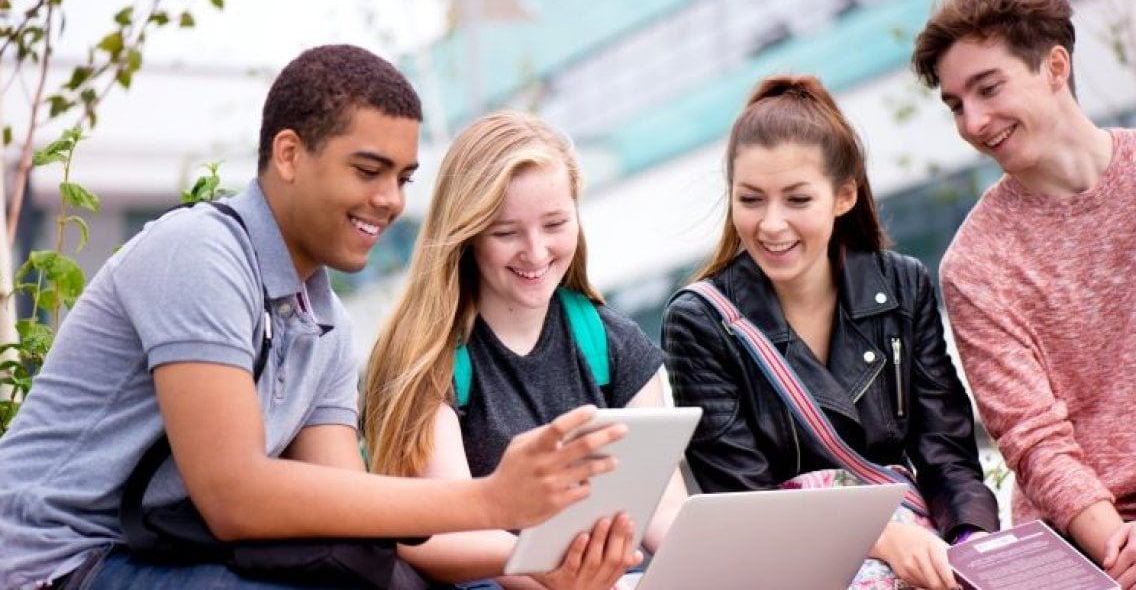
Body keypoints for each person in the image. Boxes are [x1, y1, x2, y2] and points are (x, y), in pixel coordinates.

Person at [0, 45, 624, 590]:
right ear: (290, 154)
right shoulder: (200, 253)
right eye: (368, 170)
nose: (390, 200)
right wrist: (490, 499)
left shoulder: (323, 322)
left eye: (403, 178)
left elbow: (345, 513)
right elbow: (233, 496)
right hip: (56, 561)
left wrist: (533, 559)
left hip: (157, 558)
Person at [912, 0, 1136, 589]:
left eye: (989, 88)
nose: (975, 122)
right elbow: (1033, 439)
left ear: (1056, 66)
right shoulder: (976, 264)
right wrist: (1127, 557)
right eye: (957, 104)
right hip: (1083, 547)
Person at [661, 74, 998, 590]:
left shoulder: (902, 284)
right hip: (790, 565)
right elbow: (742, 498)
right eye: (751, 200)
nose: (771, 225)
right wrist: (882, 538)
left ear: (843, 196)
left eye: (797, 200)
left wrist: (971, 545)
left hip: (919, 547)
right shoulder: (701, 320)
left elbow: (945, 452)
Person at [363, 110, 687, 589]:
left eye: (554, 223)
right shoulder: (427, 358)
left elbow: (660, 503)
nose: (535, 253)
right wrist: (546, 570)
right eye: (506, 232)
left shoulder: (612, 343)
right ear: (466, 234)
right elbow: (443, 533)